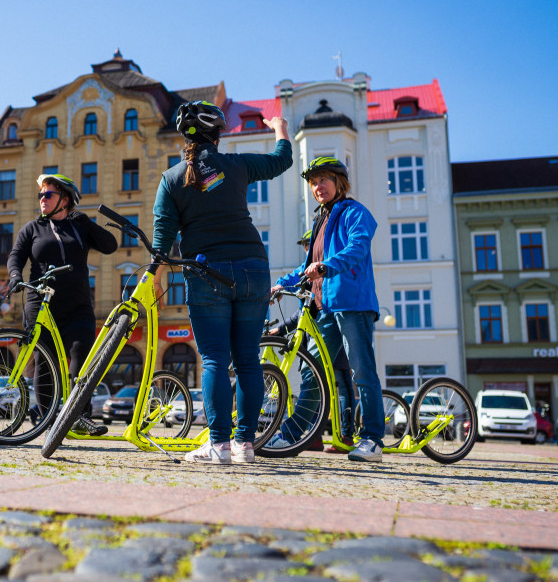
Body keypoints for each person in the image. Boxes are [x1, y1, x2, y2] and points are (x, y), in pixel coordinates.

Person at [152, 101, 292, 464]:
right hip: (253, 269)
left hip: (206, 273)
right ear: (218, 134)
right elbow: (281, 160)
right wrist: (279, 128)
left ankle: (219, 445)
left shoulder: (171, 179)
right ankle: (245, 444)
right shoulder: (238, 164)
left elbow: (163, 235)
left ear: (184, 136)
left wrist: (154, 273)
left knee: (214, 359)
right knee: (247, 359)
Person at [272, 156, 384, 462]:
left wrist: (328, 265)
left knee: (362, 370)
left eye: (323, 180)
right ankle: (293, 435)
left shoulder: (354, 212)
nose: (318, 187)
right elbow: (308, 266)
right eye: (313, 183)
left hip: (352, 305)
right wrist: (281, 284)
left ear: (339, 183)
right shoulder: (321, 220)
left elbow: (356, 248)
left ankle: (372, 440)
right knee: (312, 373)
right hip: (323, 306)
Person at [7, 173, 117, 435]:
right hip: (41, 303)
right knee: (45, 362)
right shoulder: (32, 229)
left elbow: (111, 246)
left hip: (78, 306)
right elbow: (15, 256)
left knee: (82, 358)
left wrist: (87, 223)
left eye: (48, 194)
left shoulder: (79, 227)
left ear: (65, 200)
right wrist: (14, 276)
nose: (42, 199)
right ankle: (47, 422)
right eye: (40, 195)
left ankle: (78, 416)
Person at [269, 230, 354, 453]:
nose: (307, 249)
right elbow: (297, 279)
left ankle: (347, 435)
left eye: (309, 244)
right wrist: (280, 285)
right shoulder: (309, 267)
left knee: (342, 387)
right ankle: (312, 436)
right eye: (306, 246)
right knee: (314, 381)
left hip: (335, 326)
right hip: (313, 335)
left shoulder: (329, 259)